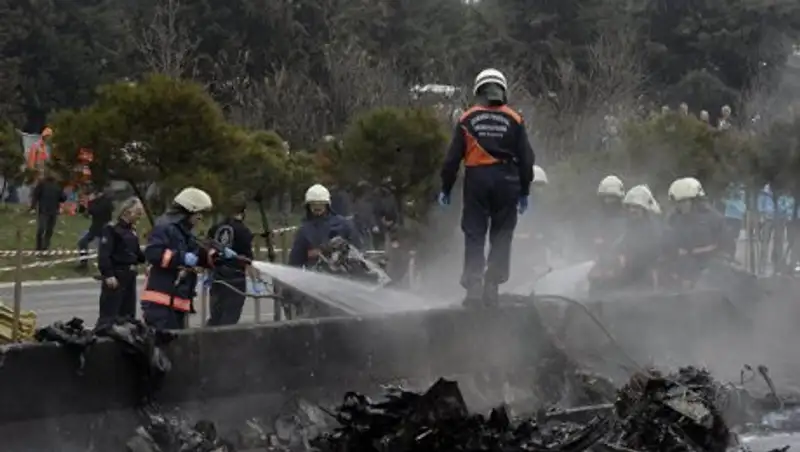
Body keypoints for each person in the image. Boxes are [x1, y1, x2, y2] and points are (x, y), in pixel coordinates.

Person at [438, 68, 535, 307]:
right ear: (503, 90)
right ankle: (492, 286)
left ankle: (473, 286)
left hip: (477, 179)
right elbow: (527, 158)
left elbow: (451, 160)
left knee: (474, 233)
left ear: (478, 90)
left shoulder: (466, 119)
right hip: (507, 181)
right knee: (502, 235)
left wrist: (446, 188)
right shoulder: (515, 119)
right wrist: (524, 191)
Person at [141, 187, 237, 330]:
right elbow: (154, 253)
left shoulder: (183, 232)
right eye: (199, 213)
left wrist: (218, 255)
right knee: (164, 348)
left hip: (176, 301)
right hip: (162, 302)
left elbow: (197, 254)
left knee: (177, 348)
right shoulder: (165, 227)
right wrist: (182, 257)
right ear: (188, 211)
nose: (200, 217)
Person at [589, 184, 662, 292]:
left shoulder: (653, 229)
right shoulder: (630, 227)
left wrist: (626, 260)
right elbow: (620, 245)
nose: (633, 210)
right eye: (630, 207)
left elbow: (652, 253)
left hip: (645, 278)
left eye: (636, 207)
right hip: (630, 275)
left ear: (644, 209)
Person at [663, 177, 726, 287]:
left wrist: (696, 253)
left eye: (683, 201)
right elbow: (668, 245)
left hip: (708, 268)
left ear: (695, 201)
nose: (680, 205)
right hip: (680, 268)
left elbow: (725, 247)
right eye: (677, 202)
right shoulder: (672, 220)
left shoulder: (714, 218)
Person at [205, 193, 258, 326]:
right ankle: (222, 345)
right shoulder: (244, 231)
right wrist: (255, 279)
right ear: (244, 211)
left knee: (216, 317)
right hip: (235, 280)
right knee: (229, 321)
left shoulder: (215, 228)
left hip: (216, 279)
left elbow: (207, 246)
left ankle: (209, 342)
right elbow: (247, 259)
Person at [96, 197, 146, 328]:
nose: (139, 216)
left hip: (130, 276)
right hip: (116, 275)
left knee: (128, 315)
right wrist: (108, 274)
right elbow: (104, 254)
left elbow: (137, 254)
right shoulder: (112, 229)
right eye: (138, 213)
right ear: (127, 211)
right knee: (110, 315)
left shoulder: (132, 231)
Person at [288, 184, 361, 269]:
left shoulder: (343, 225)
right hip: (314, 276)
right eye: (313, 204)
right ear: (308, 206)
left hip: (342, 275)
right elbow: (295, 262)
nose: (317, 207)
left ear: (327, 205)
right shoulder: (304, 231)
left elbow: (358, 251)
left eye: (320, 204)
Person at [77, 187, 114, 270]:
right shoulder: (99, 201)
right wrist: (86, 204)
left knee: (103, 249)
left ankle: (105, 267)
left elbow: (95, 211)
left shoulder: (106, 202)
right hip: (96, 227)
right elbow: (85, 213)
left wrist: (90, 202)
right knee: (83, 243)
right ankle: (84, 263)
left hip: (104, 228)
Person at [589, 175, 626, 257]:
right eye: (605, 197)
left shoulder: (628, 218)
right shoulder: (596, 218)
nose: (608, 201)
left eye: (611, 197)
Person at [29, 171, 66, 251]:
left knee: (45, 229)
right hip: (48, 211)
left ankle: (44, 246)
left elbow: (62, 198)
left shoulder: (56, 186)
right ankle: (41, 246)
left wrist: (33, 206)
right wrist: (33, 206)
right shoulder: (43, 185)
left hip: (48, 211)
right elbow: (63, 198)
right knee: (46, 230)